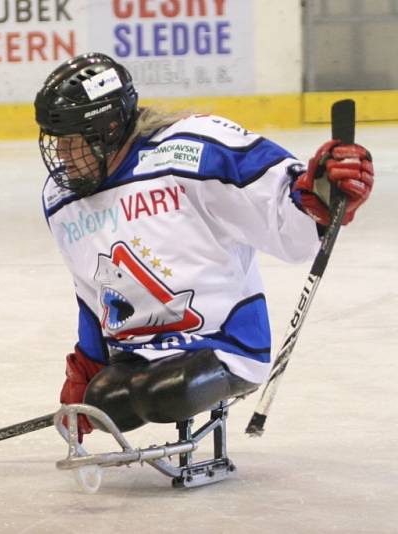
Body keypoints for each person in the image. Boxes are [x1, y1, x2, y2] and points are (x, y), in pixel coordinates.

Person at [34, 52, 374, 440]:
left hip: (222, 344)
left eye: (72, 141)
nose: (60, 155)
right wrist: (88, 365)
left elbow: (281, 201)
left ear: (108, 129)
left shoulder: (193, 148)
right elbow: (90, 292)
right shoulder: (60, 199)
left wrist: (320, 194)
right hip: (136, 353)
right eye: (55, 141)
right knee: (104, 400)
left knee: (164, 392)